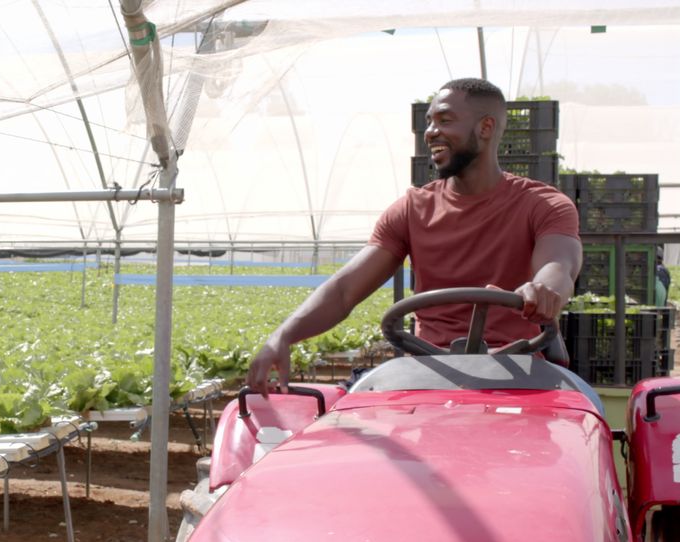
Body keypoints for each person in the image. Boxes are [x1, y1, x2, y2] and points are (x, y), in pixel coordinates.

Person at [247, 78, 583, 396]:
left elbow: (558, 265)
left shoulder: (543, 205)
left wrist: (543, 290)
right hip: (426, 373)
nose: (432, 132)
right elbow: (344, 290)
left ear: (486, 127)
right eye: (429, 122)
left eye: (445, 120)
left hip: (517, 373)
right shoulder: (411, 209)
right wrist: (284, 335)